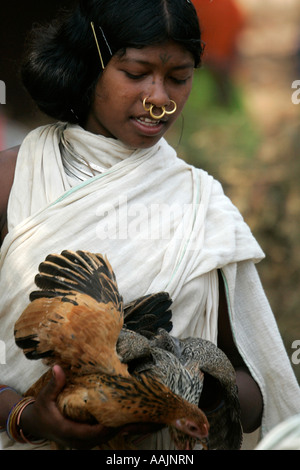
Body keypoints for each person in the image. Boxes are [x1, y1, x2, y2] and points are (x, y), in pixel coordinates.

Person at [0, 0, 299, 450]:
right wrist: (27, 417)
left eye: (178, 78)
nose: (159, 99)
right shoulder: (13, 182)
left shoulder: (202, 205)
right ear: (89, 65)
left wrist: (193, 389)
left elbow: (258, 387)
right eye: (136, 73)